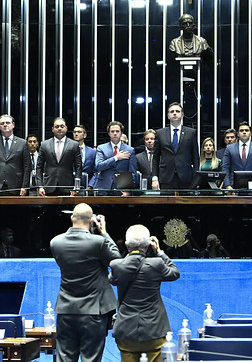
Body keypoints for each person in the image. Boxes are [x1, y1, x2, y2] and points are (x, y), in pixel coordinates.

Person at [50, 203, 121, 362]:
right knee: (91, 358)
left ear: (71, 218)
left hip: (66, 309)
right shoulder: (98, 242)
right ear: (91, 220)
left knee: (64, 358)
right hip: (93, 311)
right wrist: (104, 233)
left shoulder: (55, 242)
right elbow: (116, 260)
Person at [109, 225, 180, 362]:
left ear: (126, 245)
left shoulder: (117, 265)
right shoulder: (157, 264)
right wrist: (160, 252)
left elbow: (112, 280)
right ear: (148, 245)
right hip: (154, 331)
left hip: (126, 331)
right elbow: (175, 273)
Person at [151, 102, 200, 190]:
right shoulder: (160, 133)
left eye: (177, 111)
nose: (174, 113)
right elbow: (155, 158)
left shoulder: (191, 133)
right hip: (165, 178)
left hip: (186, 178)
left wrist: (196, 178)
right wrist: (154, 178)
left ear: (182, 115)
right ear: (168, 116)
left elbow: (196, 157)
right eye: (172, 111)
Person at [0, 114, 31, 196]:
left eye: (7, 123)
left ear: (13, 125)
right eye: (2, 123)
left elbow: (27, 166)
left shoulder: (22, 143)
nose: (5, 125)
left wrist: (25, 186)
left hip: (16, 186)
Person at [37, 118, 82, 196]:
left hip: (68, 186)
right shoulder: (44, 144)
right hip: (49, 185)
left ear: (66, 128)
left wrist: (76, 186)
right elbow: (39, 167)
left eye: (62, 126)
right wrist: (40, 186)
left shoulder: (74, 145)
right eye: (57, 126)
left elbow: (78, 166)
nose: (59, 128)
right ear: (52, 129)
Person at [94, 121, 138, 192]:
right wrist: (116, 158)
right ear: (109, 133)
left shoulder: (130, 150)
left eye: (117, 131)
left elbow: (132, 173)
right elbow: (99, 166)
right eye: (112, 131)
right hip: (103, 187)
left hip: (122, 187)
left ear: (121, 133)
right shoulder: (101, 148)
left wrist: (128, 191)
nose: (115, 133)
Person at [222, 122, 252, 188]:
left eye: (246, 130)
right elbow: (225, 168)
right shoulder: (229, 148)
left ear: (250, 133)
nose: (244, 132)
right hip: (233, 186)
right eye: (241, 130)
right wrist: (227, 185)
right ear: (238, 134)